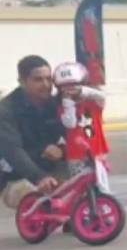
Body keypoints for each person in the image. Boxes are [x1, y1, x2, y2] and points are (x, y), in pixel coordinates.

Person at [0, 55, 64, 209]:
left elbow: (83, 130)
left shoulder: (57, 105)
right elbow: (13, 152)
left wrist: (63, 149)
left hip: (49, 170)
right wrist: (39, 177)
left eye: (49, 79)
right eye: (38, 80)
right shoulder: (6, 110)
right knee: (43, 205)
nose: (46, 84)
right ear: (22, 81)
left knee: (83, 189)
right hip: (15, 177)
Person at [53, 62, 109, 177]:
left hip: (97, 152)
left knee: (101, 188)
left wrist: (82, 91)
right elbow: (70, 124)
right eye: (65, 86)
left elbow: (102, 96)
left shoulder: (94, 102)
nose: (70, 88)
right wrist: (68, 102)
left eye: (74, 84)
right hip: (76, 155)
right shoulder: (62, 106)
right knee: (81, 188)